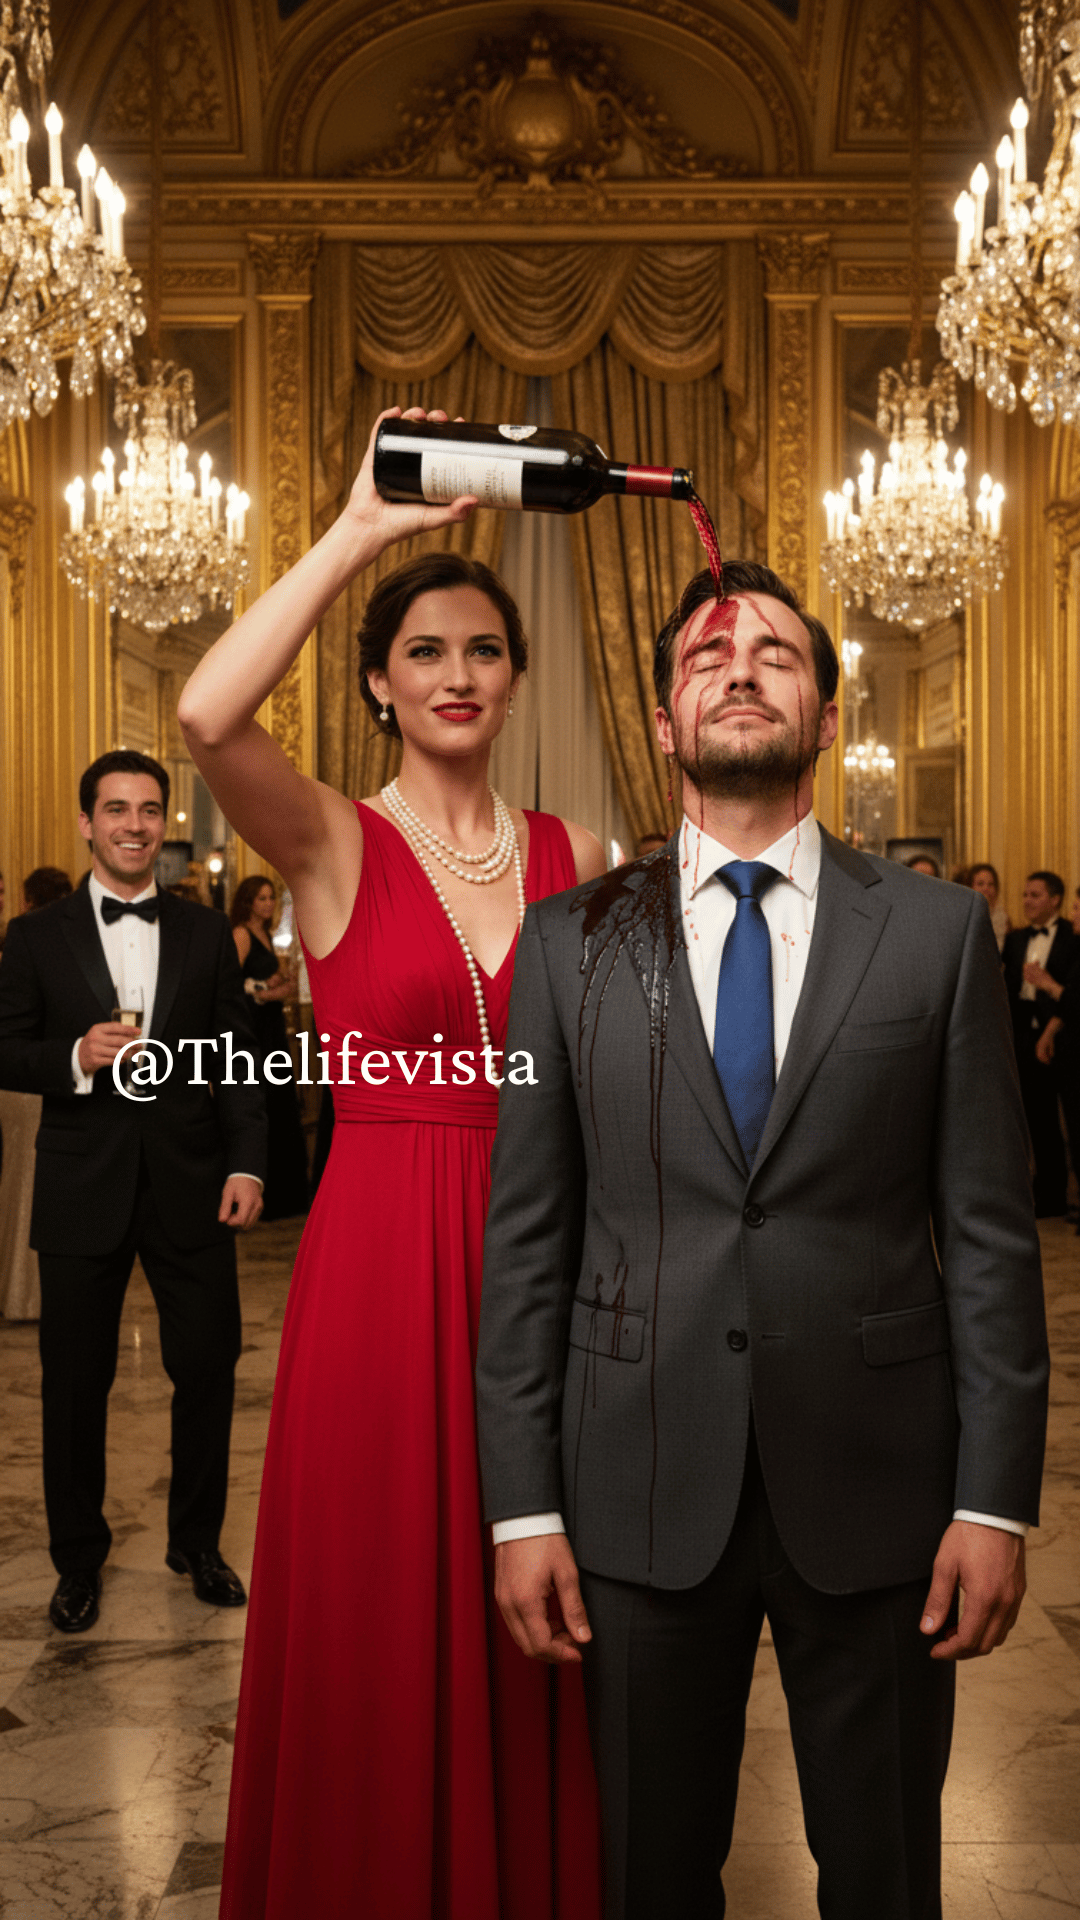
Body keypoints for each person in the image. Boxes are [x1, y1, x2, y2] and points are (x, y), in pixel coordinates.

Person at [476, 559, 1049, 1920]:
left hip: (881, 1486)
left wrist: (994, 1501)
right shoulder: (565, 945)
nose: (740, 670)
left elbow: (987, 1233)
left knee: (884, 1871)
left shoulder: (935, 934)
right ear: (664, 723)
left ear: (829, 717)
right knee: (650, 1874)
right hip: (635, 1480)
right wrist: (524, 1507)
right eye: (706, 658)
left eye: (776, 654)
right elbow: (529, 1239)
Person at [177, 407, 606, 1920]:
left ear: (516, 678)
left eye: (483, 650)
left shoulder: (579, 856)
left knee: (538, 1597)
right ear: (380, 681)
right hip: (380, 1263)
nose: (456, 673)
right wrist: (362, 529)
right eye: (424, 652)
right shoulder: (331, 842)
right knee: (379, 1595)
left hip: (544, 1257)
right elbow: (207, 715)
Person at [0, 750, 267, 1634]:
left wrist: (246, 1165)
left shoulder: (204, 933)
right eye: (116, 809)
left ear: (163, 824)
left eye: (149, 810)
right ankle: (78, 1560)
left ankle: (198, 1542)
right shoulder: (35, 937)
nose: (134, 825)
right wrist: (74, 1057)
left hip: (193, 1183)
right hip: (82, 1186)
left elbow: (241, 1057)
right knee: (76, 1383)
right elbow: (6, 1048)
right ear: (87, 822)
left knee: (209, 1368)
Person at [229, 876, 309, 1220]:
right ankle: (262, 1192)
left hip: (272, 1025)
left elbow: (264, 981)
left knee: (281, 1102)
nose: (268, 903)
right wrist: (264, 991)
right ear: (248, 901)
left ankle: (287, 1192)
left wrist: (277, 985)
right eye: (261, 898)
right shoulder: (242, 934)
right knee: (263, 1100)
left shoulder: (268, 934)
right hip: (254, 1028)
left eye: (271, 898)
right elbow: (231, 984)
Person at [1003, 870, 1075, 1216]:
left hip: (1061, 1035)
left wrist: (1046, 984)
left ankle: (1065, 1192)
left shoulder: (1072, 936)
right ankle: (1046, 1196)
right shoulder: (1016, 939)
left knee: (1069, 1119)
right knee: (1037, 1119)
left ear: (1055, 900)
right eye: (1025, 895)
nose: (1027, 901)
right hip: (1024, 1036)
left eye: (1035, 895)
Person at [971, 861, 1011, 951]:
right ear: (970, 887)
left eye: (991, 884)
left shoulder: (1004, 921)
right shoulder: (962, 918)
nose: (986, 888)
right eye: (980, 884)